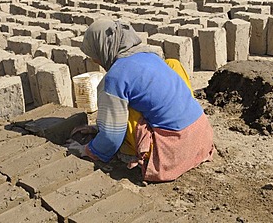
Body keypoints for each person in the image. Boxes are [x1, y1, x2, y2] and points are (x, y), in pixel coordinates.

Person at [68, 19, 215, 182]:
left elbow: (111, 136)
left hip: (173, 153)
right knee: (165, 73)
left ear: (103, 48)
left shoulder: (116, 77)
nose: (95, 61)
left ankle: (131, 154)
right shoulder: (151, 56)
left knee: (122, 109)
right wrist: (98, 127)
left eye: (94, 55)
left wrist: (88, 150)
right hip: (202, 138)